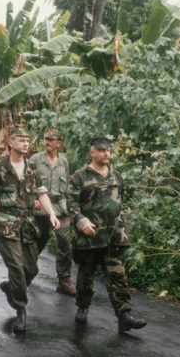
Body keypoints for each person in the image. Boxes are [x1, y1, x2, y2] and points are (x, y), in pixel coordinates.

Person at [0, 126, 60, 333]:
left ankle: (11, 287)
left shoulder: (32, 167)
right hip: (6, 223)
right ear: (11, 143)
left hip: (28, 224)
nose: (26, 144)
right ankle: (21, 310)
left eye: (27, 141)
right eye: (21, 140)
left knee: (31, 269)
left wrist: (51, 213)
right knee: (16, 266)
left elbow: (41, 193)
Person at [67, 136, 146, 334]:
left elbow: (120, 201)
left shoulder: (116, 176)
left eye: (108, 150)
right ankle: (83, 307)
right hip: (90, 237)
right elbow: (70, 203)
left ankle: (124, 316)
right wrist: (81, 221)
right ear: (92, 151)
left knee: (118, 276)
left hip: (114, 237)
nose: (106, 153)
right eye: (102, 150)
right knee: (86, 275)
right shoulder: (80, 176)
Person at [29, 128, 75, 295]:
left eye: (51, 140)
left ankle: (64, 280)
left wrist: (69, 208)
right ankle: (26, 275)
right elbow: (27, 182)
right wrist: (32, 200)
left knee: (64, 243)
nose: (47, 142)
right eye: (46, 139)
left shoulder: (64, 162)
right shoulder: (35, 159)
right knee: (37, 243)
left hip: (59, 207)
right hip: (40, 207)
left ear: (58, 143)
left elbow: (67, 187)